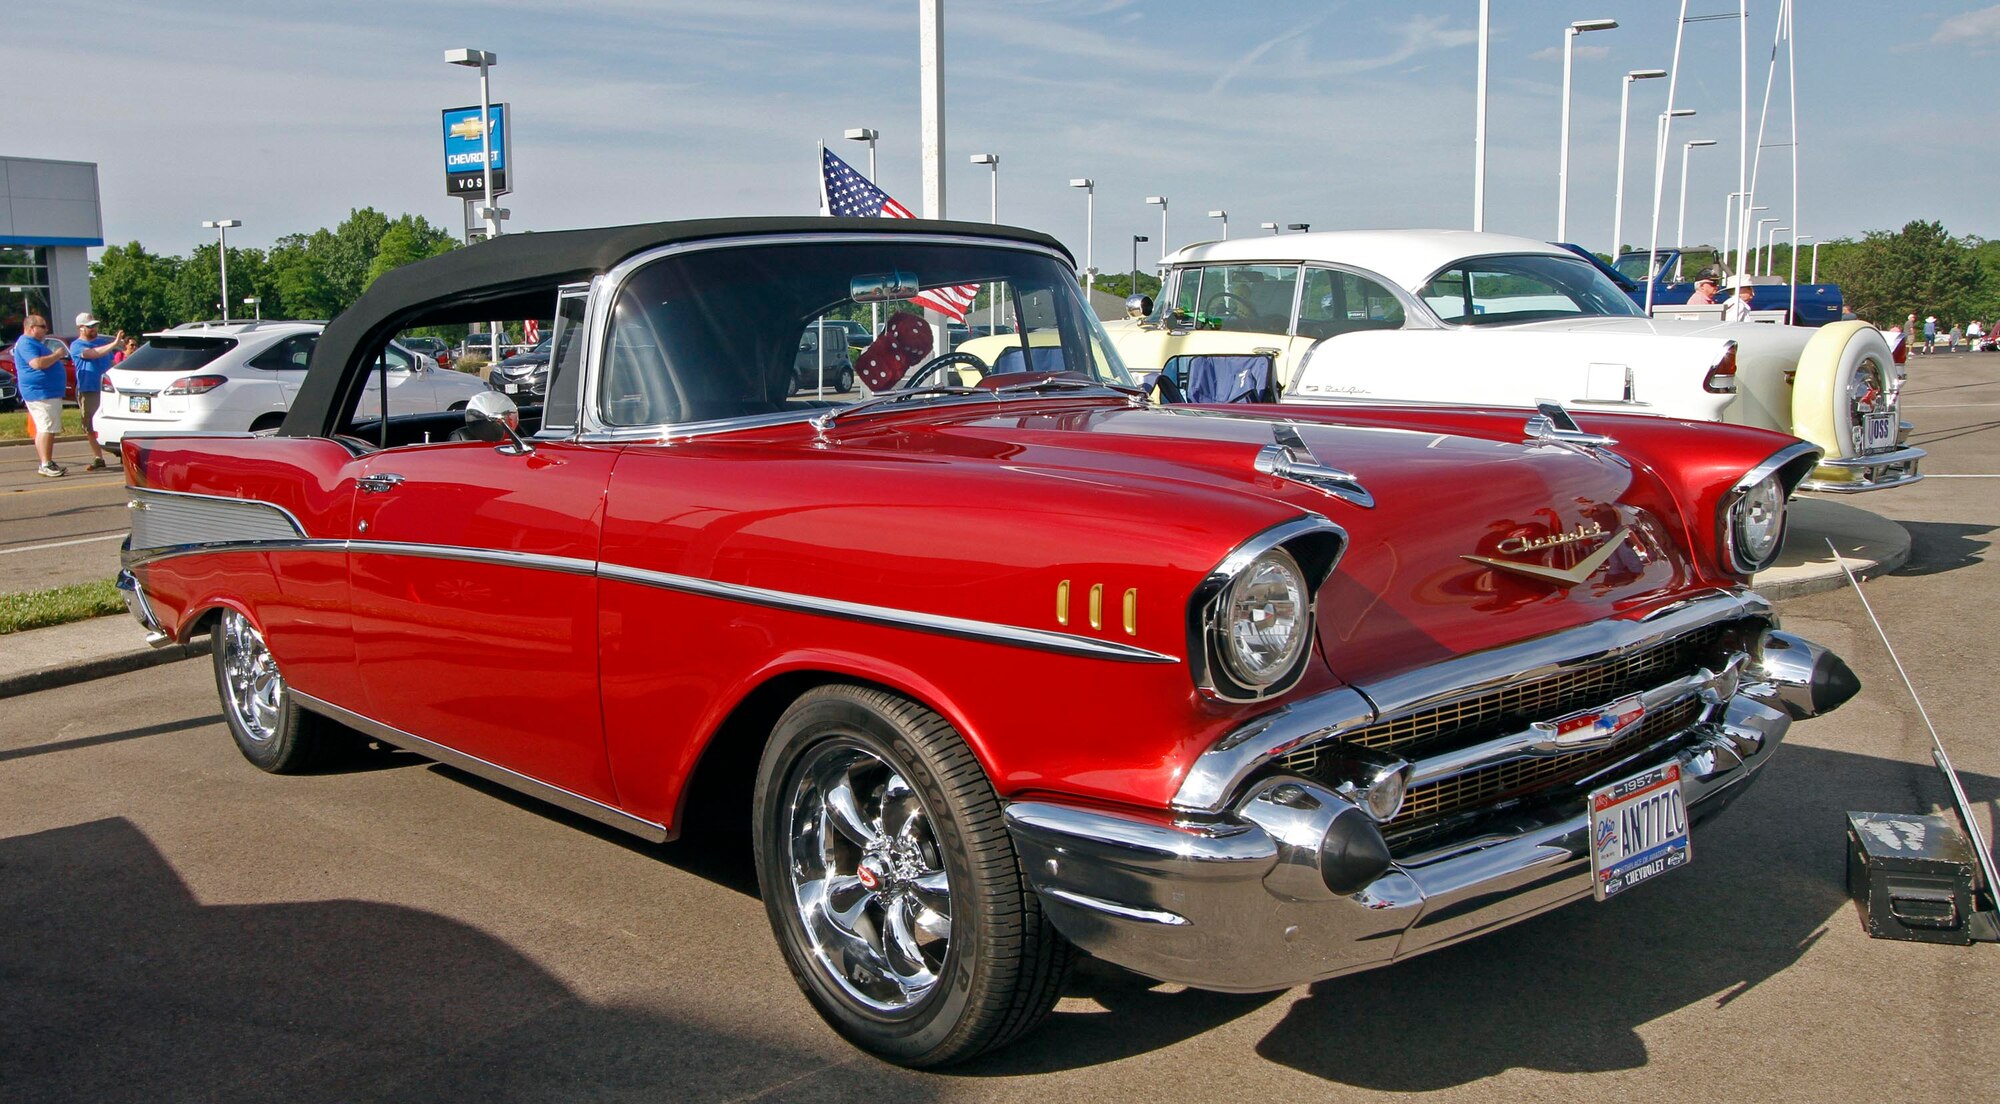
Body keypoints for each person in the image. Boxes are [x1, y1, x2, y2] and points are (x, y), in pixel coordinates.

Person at [9, 315, 71, 477]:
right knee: (46, 427)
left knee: (46, 427)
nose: (46, 330)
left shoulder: (34, 343)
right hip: (40, 392)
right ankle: (46, 463)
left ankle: (46, 461)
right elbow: (37, 364)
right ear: (31, 328)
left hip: (46, 392)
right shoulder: (26, 343)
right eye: (43, 326)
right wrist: (57, 355)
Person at [67, 313, 125, 471]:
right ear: (81, 328)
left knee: (113, 420)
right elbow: (92, 354)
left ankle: (121, 453)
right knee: (91, 423)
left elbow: (113, 362)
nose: (94, 329)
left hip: (108, 389)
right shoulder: (76, 345)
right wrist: (114, 343)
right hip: (89, 388)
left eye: (95, 326)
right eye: (90, 326)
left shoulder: (101, 342)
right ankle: (98, 457)